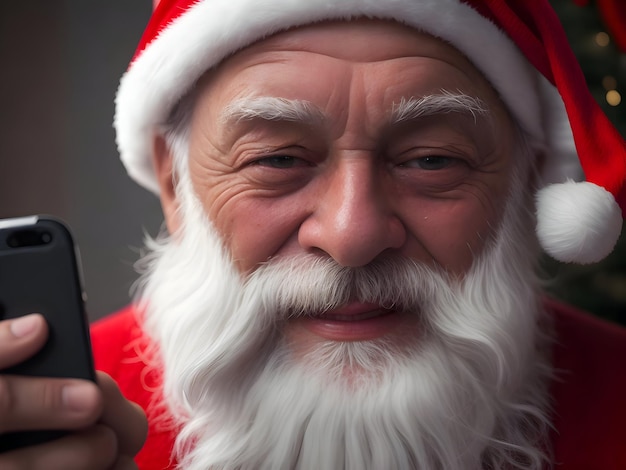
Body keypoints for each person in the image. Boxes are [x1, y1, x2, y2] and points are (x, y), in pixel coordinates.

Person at [2, 0, 626, 468]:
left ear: (526, 183)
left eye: (432, 160)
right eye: (277, 160)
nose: (351, 235)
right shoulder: (45, 426)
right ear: (174, 183)